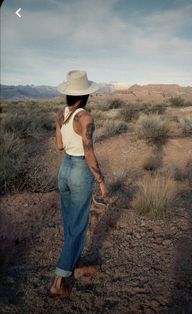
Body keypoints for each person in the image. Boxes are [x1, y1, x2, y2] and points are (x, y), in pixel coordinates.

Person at [49, 70, 109, 297]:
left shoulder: (62, 115)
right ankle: (58, 283)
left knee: (70, 224)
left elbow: (59, 147)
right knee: (77, 226)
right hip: (80, 172)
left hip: (64, 170)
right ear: (86, 95)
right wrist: (101, 180)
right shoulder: (85, 118)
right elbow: (89, 152)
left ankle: (71, 263)